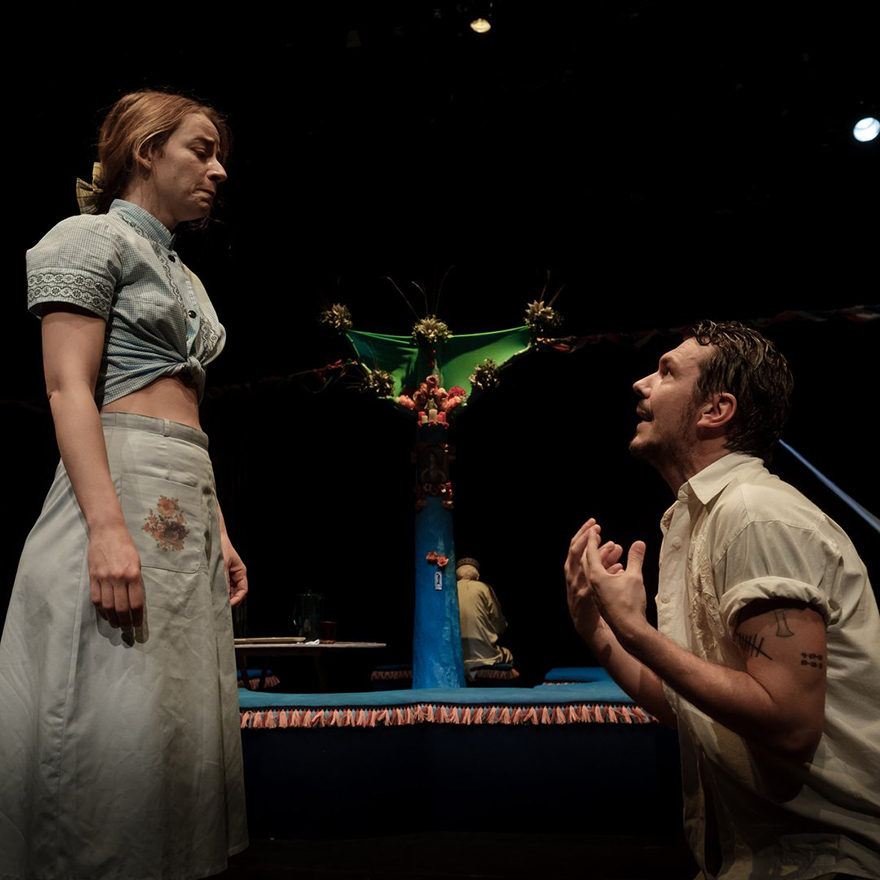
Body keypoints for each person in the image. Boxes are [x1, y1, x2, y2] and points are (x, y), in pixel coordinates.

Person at [0, 90, 248, 880]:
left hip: (182, 493)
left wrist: (219, 528)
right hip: (116, 487)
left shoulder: (185, 277)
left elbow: (188, 415)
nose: (218, 170)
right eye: (201, 150)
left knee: (167, 715)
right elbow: (67, 387)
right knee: (111, 705)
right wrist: (107, 527)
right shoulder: (89, 238)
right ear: (146, 150)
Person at [564, 320, 880, 880]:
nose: (641, 383)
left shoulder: (756, 515)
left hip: (827, 862)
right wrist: (597, 627)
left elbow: (788, 723)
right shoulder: (700, 519)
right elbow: (686, 706)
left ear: (716, 410)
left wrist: (634, 628)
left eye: (666, 372)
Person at [456, 557, 514, 679]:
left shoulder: (450, 591)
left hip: (456, 655)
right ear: (477, 577)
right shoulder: (484, 588)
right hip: (485, 656)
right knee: (508, 655)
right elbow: (499, 626)